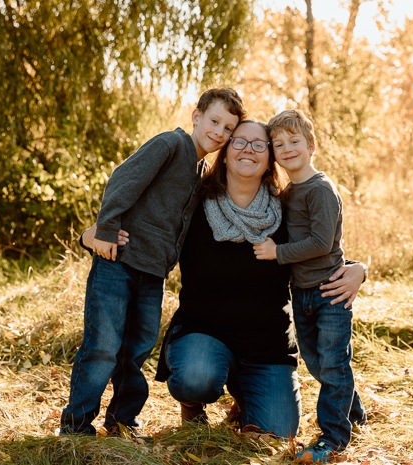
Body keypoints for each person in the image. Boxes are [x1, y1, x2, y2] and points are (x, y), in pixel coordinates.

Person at [154, 119, 367, 439]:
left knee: (280, 431)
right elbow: (149, 226)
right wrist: (100, 233)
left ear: (270, 159)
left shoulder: (285, 209)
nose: (248, 150)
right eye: (239, 142)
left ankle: (245, 395)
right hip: (204, 331)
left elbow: (319, 248)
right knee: (196, 377)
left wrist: (358, 269)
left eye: (259, 144)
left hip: (266, 345)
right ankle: (193, 404)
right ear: (224, 153)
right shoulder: (195, 204)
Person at [59, 88, 246, 436]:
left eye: (228, 129)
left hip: (153, 274)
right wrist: (106, 229)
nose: (219, 132)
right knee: (103, 346)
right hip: (119, 262)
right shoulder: (170, 145)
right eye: (214, 121)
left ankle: (123, 420)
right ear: (196, 115)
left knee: (137, 349)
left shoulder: (200, 169)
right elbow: (123, 179)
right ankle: (76, 425)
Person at [253, 109, 367, 463]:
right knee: (319, 364)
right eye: (279, 143)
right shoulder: (289, 193)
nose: (287, 148)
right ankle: (354, 412)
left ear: (311, 146)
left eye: (294, 141)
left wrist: (277, 252)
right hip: (301, 294)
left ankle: (333, 437)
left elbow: (320, 242)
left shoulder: (321, 189)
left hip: (329, 291)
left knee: (332, 364)